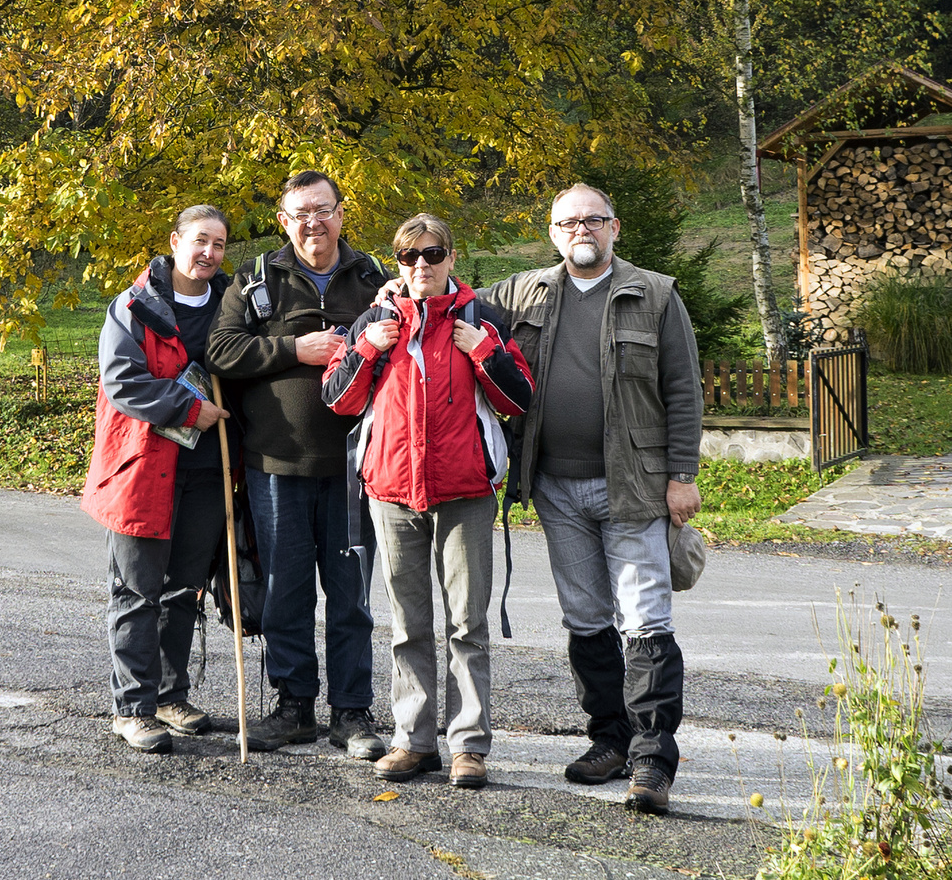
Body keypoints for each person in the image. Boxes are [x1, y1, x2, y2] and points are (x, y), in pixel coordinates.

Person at [480, 183, 702, 814]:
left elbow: (683, 389)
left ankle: (654, 760)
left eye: (593, 220)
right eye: (568, 222)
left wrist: (681, 474)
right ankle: (610, 740)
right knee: (586, 620)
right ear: (553, 233)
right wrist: (394, 290)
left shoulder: (655, 294)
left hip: (632, 487)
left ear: (615, 227)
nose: (581, 230)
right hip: (554, 487)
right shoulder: (523, 293)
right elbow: (451, 301)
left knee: (645, 619)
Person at [322, 214, 533, 789]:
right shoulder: (375, 318)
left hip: (465, 492)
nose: (421, 265)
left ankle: (468, 746)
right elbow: (338, 402)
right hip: (391, 491)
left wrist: (485, 352)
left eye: (432, 254)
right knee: (407, 624)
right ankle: (413, 740)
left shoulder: (484, 320)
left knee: (467, 624)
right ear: (397, 263)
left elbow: (520, 399)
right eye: (408, 256)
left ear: (451, 257)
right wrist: (366, 348)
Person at [208, 170, 392, 758]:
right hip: (276, 463)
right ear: (284, 221)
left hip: (355, 466)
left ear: (342, 214)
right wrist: (294, 348)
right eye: (300, 213)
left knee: (351, 596)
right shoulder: (257, 278)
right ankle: (292, 707)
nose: (314, 222)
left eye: (324, 210)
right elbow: (221, 350)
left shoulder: (375, 279)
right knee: (286, 592)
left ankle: (352, 713)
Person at [82, 205, 236, 754]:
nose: (208, 254)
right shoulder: (133, 307)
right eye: (199, 242)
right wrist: (192, 411)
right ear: (175, 241)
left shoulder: (229, 303)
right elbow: (124, 381)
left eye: (218, 245)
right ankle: (132, 708)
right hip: (141, 469)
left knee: (181, 591)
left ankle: (171, 696)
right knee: (136, 591)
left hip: (204, 474)